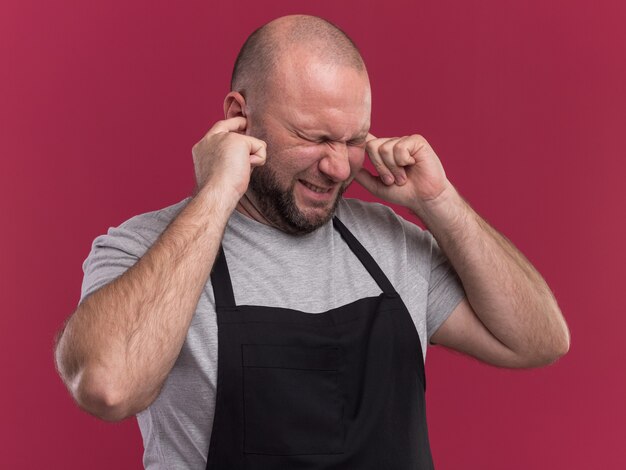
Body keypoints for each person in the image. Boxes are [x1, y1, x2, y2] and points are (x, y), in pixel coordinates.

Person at [54, 14, 570, 470]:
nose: (338, 166)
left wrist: (440, 203)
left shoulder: (390, 244)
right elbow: (106, 386)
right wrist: (216, 194)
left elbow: (539, 341)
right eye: (314, 137)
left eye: (352, 140)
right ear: (240, 115)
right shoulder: (143, 248)